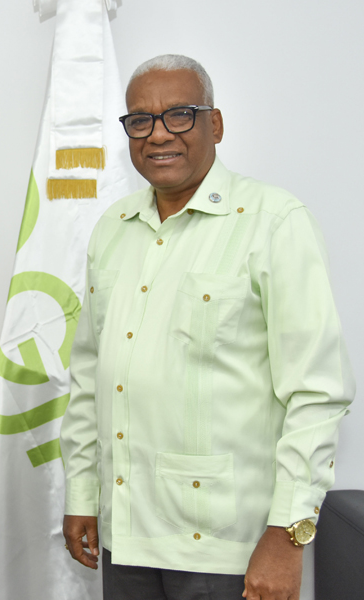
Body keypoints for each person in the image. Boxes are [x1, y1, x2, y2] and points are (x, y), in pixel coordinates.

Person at [60, 54, 354, 600]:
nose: (158, 134)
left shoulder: (272, 221)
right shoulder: (113, 229)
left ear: (213, 124)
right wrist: (81, 492)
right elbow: (90, 376)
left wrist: (288, 536)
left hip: (229, 547)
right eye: (140, 120)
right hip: (125, 537)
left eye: (179, 114)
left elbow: (317, 393)